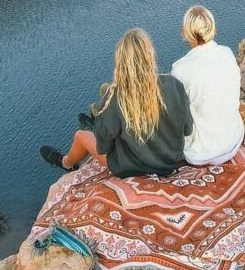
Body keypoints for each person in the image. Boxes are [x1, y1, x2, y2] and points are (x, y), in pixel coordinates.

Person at [40, 28, 193, 177]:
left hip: (130, 169)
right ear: (150, 55)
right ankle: (102, 122)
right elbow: (187, 129)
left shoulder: (116, 96)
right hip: (169, 163)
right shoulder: (174, 85)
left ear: (121, 60)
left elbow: (103, 147)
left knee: (81, 135)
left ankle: (66, 163)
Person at [171, 5, 244, 166]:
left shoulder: (180, 69)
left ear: (185, 32)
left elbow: (177, 117)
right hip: (233, 140)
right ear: (213, 29)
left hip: (200, 152)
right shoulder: (227, 53)